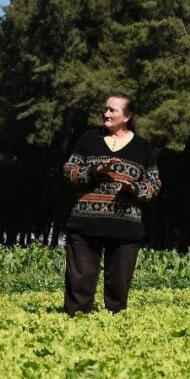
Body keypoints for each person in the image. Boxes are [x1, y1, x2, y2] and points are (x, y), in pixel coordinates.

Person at [62, 93, 161, 316]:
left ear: (127, 116)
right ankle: (75, 326)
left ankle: (114, 330)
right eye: (105, 109)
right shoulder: (88, 139)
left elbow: (154, 185)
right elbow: (69, 172)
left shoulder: (143, 147)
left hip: (126, 228)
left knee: (119, 287)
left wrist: (133, 189)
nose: (106, 114)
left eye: (112, 110)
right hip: (85, 225)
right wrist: (95, 171)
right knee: (80, 282)